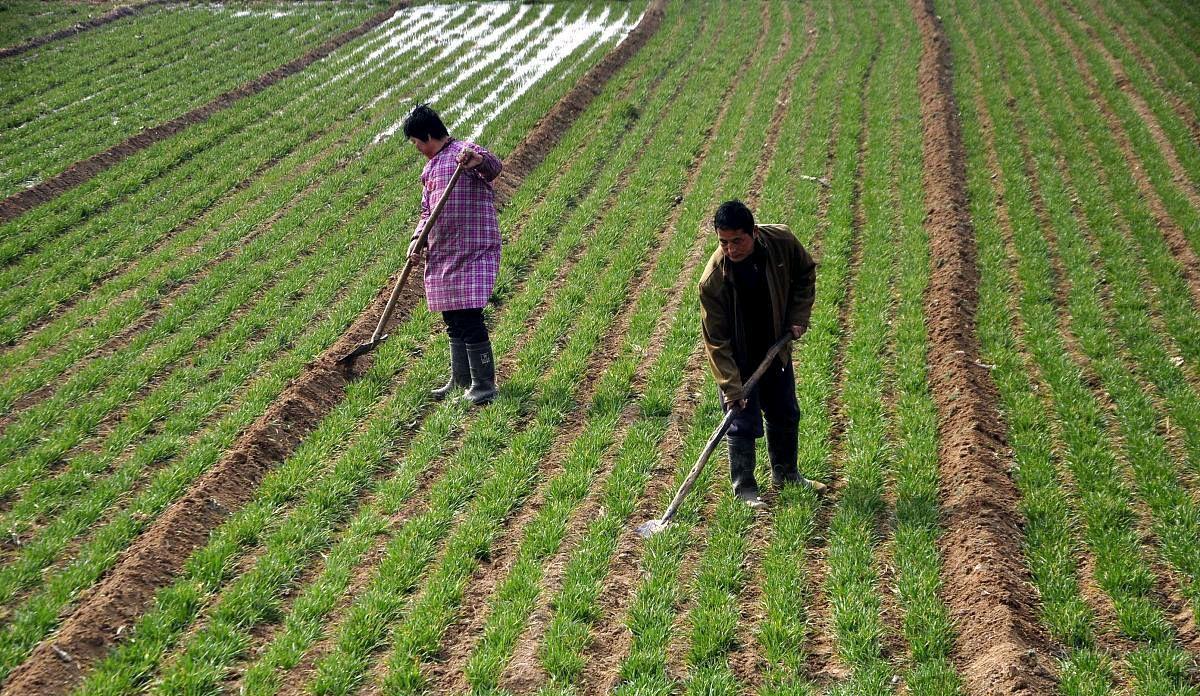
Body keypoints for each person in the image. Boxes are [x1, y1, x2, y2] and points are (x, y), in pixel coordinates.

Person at [698, 199, 828, 508]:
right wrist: (731, 387)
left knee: (785, 412)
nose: (731, 249)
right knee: (740, 421)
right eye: (723, 242)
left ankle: (787, 475)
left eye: (737, 241)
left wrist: (798, 316)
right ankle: (744, 488)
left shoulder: (780, 241)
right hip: (739, 357)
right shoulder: (713, 281)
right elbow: (715, 341)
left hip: (774, 347)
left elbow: (805, 273)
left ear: (754, 232)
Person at [403, 104, 502, 405]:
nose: (417, 148)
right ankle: (460, 381)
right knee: (453, 320)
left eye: (417, 143)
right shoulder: (430, 169)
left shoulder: (465, 152)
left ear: (429, 135)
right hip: (444, 253)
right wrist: (417, 239)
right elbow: (426, 211)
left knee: (470, 317)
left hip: (472, 250)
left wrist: (477, 160)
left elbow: (494, 167)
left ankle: (484, 386)